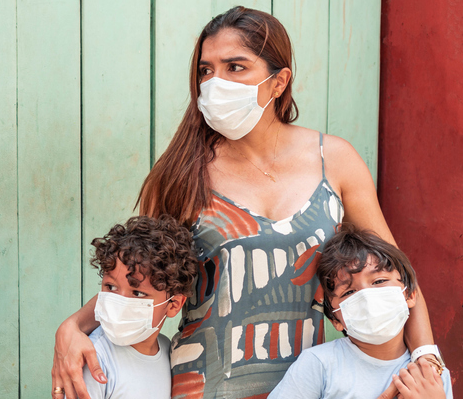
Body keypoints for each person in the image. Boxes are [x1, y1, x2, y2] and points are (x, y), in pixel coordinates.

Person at [52, 6, 437, 399]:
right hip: (202, 385)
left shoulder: (335, 160)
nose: (216, 82)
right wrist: (73, 326)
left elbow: (399, 273)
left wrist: (427, 358)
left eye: (235, 67)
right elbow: (138, 274)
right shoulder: (181, 172)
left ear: (278, 82)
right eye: (206, 70)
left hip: (316, 384)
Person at [268, 225, 452, 398]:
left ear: (410, 294)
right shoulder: (318, 364)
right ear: (335, 319)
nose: (366, 297)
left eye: (379, 281)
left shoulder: (431, 373)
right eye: (349, 292)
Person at [56, 216, 198, 399]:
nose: (119, 303)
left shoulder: (168, 351)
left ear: (174, 304)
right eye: (111, 287)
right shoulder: (94, 358)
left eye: (137, 293)